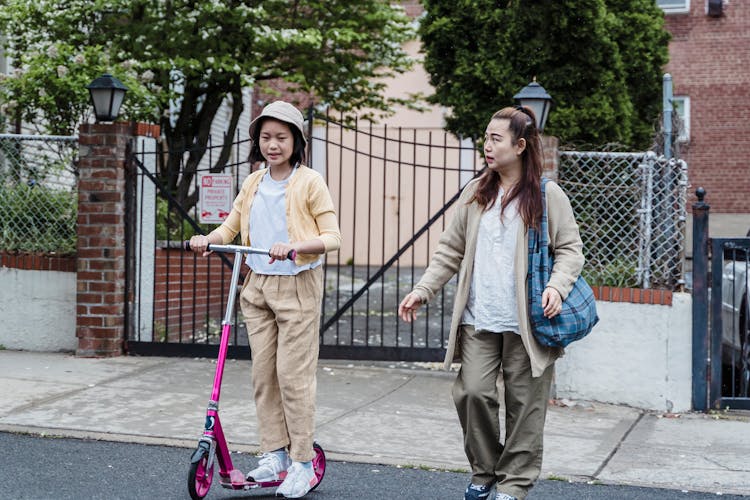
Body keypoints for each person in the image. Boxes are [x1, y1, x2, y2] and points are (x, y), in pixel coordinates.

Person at [398, 106, 584, 500]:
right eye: (485, 138)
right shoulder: (476, 192)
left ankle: (512, 486)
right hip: (479, 318)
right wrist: (422, 290)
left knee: (525, 407)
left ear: (519, 146)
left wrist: (557, 286)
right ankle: (485, 471)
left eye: (495, 139)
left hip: (529, 321)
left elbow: (570, 250)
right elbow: (450, 250)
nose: (487, 145)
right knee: (471, 393)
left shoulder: (547, 195)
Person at [189, 100, 341, 499]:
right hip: (257, 287)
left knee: (293, 378)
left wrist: (294, 247)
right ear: (258, 141)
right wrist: (209, 240)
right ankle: (274, 453)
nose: (273, 145)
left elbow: (332, 238)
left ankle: (302, 462)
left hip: (296, 286)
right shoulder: (253, 182)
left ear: (296, 141)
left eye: (281, 137)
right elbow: (231, 226)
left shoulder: (310, 182)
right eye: (266, 137)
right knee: (264, 377)